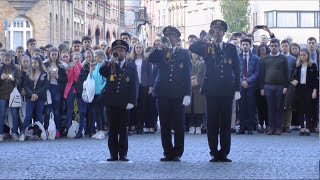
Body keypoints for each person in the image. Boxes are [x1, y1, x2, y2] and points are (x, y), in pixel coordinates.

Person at [189, 19, 240, 162]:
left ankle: (224, 152)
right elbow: (193, 48)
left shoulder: (230, 48)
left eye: (218, 29)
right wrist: (206, 38)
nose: (216, 32)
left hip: (226, 89)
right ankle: (213, 151)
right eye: (214, 29)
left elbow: (236, 68)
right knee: (211, 123)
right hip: (211, 90)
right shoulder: (206, 46)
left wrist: (237, 89)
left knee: (225, 122)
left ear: (223, 32)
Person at [149, 26, 192, 162]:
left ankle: (178, 151)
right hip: (162, 93)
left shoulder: (184, 53)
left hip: (178, 94)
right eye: (167, 36)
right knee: (165, 125)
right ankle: (168, 152)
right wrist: (160, 46)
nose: (169, 38)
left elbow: (187, 74)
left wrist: (188, 93)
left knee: (179, 125)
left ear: (177, 38)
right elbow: (151, 58)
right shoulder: (161, 52)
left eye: (172, 36)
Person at [99, 40, 138, 161]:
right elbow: (102, 72)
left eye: (121, 51)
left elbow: (134, 84)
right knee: (112, 129)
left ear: (126, 53)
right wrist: (110, 62)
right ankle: (113, 154)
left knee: (123, 129)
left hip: (124, 102)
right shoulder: (110, 64)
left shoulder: (131, 67)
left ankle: (123, 153)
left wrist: (132, 101)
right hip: (111, 101)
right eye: (116, 51)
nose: (119, 53)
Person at [260, 38, 288, 135]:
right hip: (268, 86)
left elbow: (286, 73)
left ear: (279, 47)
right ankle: (271, 127)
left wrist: (285, 86)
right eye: (272, 46)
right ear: (269, 47)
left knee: (279, 107)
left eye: (276, 46)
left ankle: (278, 128)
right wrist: (262, 88)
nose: (274, 47)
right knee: (270, 108)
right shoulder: (265, 59)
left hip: (280, 86)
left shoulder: (283, 58)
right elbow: (262, 74)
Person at [20, 56, 49, 141]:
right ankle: (23, 133)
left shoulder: (44, 73)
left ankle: (40, 133)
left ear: (39, 63)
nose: (33, 64)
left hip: (40, 97)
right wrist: (31, 94)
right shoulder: (28, 73)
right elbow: (26, 85)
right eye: (32, 63)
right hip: (30, 97)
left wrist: (36, 94)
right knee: (28, 115)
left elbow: (45, 86)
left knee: (39, 115)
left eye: (35, 62)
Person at [128, 43, 153, 134]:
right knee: (134, 105)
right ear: (134, 49)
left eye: (140, 47)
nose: (138, 49)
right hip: (134, 86)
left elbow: (150, 73)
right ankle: (133, 124)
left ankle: (141, 125)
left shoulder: (146, 59)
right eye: (137, 47)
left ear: (143, 49)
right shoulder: (130, 60)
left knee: (143, 106)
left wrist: (151, 86)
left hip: (144, 85)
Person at [292, 48, 318, 136]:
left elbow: (315, 80)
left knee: (308, 108)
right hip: (299, 88)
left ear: (308, 55)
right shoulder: (297, 65)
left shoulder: (313, 65)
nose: (302, 57)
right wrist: (293, 81)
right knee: (300, 108)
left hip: (309, 89)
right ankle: (302, 128)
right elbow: (291, 76)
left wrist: (314, 91)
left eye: (304, 55)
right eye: (301, 55)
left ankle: (308, 128)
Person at [237, 38, 260, 135]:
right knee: (241, 107)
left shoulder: (255, 58)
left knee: (251, 107)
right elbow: (235, 72)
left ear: (250, 45)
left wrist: (248, 81)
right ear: (241, 45)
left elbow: (257, 72)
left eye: (247, 44)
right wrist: (242, 81)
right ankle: (242, 127)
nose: (245, 46)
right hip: (240, 85)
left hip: (251, 85)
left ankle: (250, 127)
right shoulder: (237, 57)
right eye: (243, 44)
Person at [44, 47, 67, 137]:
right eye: (52, 54)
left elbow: (65, 78)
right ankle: (46, 129)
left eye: (55, 55)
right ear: (49, 55)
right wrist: (49, 76)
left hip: (57, 88)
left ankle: (57, 129)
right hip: (48, 88)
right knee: (48, 110)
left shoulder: (61, 65)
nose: (54, 56)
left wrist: (58, 77)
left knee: (57, 110)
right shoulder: (45, 64)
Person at [0, 52, 21, 141]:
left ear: (11, 59)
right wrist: (1, 78)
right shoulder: (0, 69)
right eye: (6, 60)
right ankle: (0, 133)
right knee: (2, 114)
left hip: (13, 94)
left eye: (9, 59)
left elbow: (20, 81)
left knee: (14, 114)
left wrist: (14, 80)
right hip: (2, 94)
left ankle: (15, 132)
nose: (7, 61)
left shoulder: (16, 68)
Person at [186, 52, 206, 134]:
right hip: (189, 87)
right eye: (193, 53)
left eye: (196, 53)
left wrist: (197, 80)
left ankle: (198, 125)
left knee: (199, 107)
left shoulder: (202, 63)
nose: (194, 54)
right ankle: (191, 125)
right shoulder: (188, 62)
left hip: (199, 88)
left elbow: (202, 75)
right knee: (190, 107)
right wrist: (191, 78)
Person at [280, 40, 297, 133]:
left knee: (288, 105)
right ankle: (282, 124)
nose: (284, 47)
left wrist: (290, 80)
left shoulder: (293, 59)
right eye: (283, 46)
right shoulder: (278, 57)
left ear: (289, 47)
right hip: (279, 84)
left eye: (286, 46)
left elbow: (294, 72)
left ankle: (288, 125)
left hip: (290, 84)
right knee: (281, 104)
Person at [90, 49, 107, 139]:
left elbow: (105, 80)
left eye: (96, 56)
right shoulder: (96, 67)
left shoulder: (104, 66)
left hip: (102, 92)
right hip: (95, 92)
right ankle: (100, 129)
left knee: (101, 111)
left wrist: (102, 89)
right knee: (97, 111)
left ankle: (102, 129)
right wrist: (90, 72)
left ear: (101, 57)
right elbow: (92, 78)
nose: (95, 58)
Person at [256, 44, 270, 133]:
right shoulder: (256, 60)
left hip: (267, 85)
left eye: (263, 50)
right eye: (260, 50)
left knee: (267, 106)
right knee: (259, 107)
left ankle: (268, 125)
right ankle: (261, 124)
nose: (262, 51)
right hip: (257, 87)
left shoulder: (269, 59)